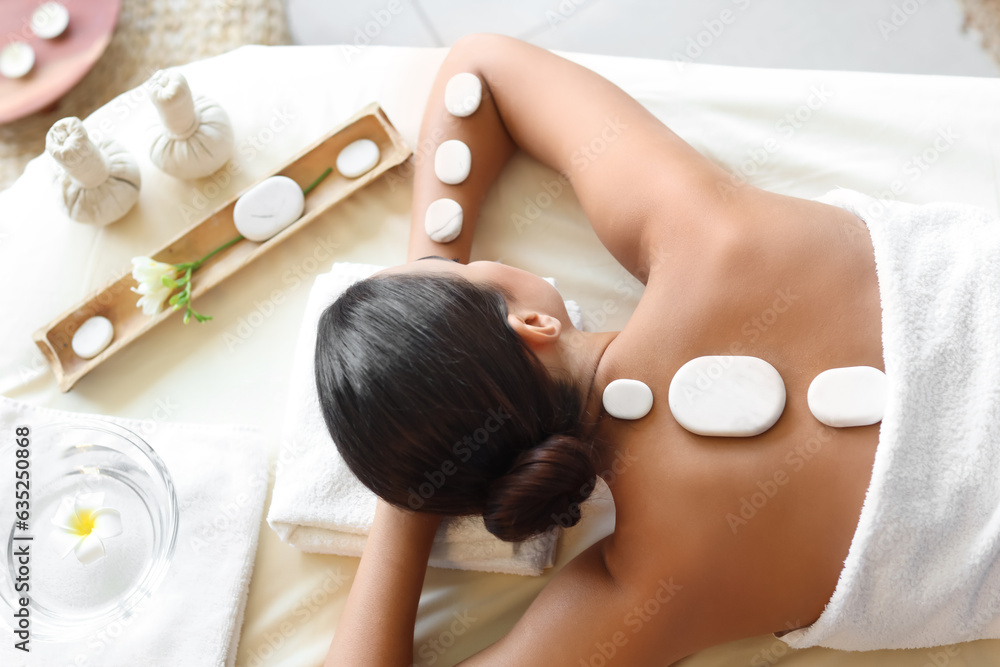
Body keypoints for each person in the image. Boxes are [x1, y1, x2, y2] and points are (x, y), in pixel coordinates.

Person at [314, 32, 887, 665]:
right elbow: (480, 69)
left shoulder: (650, 588)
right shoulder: (705, 234)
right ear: (531, 321)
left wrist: (418, 483)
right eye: (465, 272)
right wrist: (430, 278)